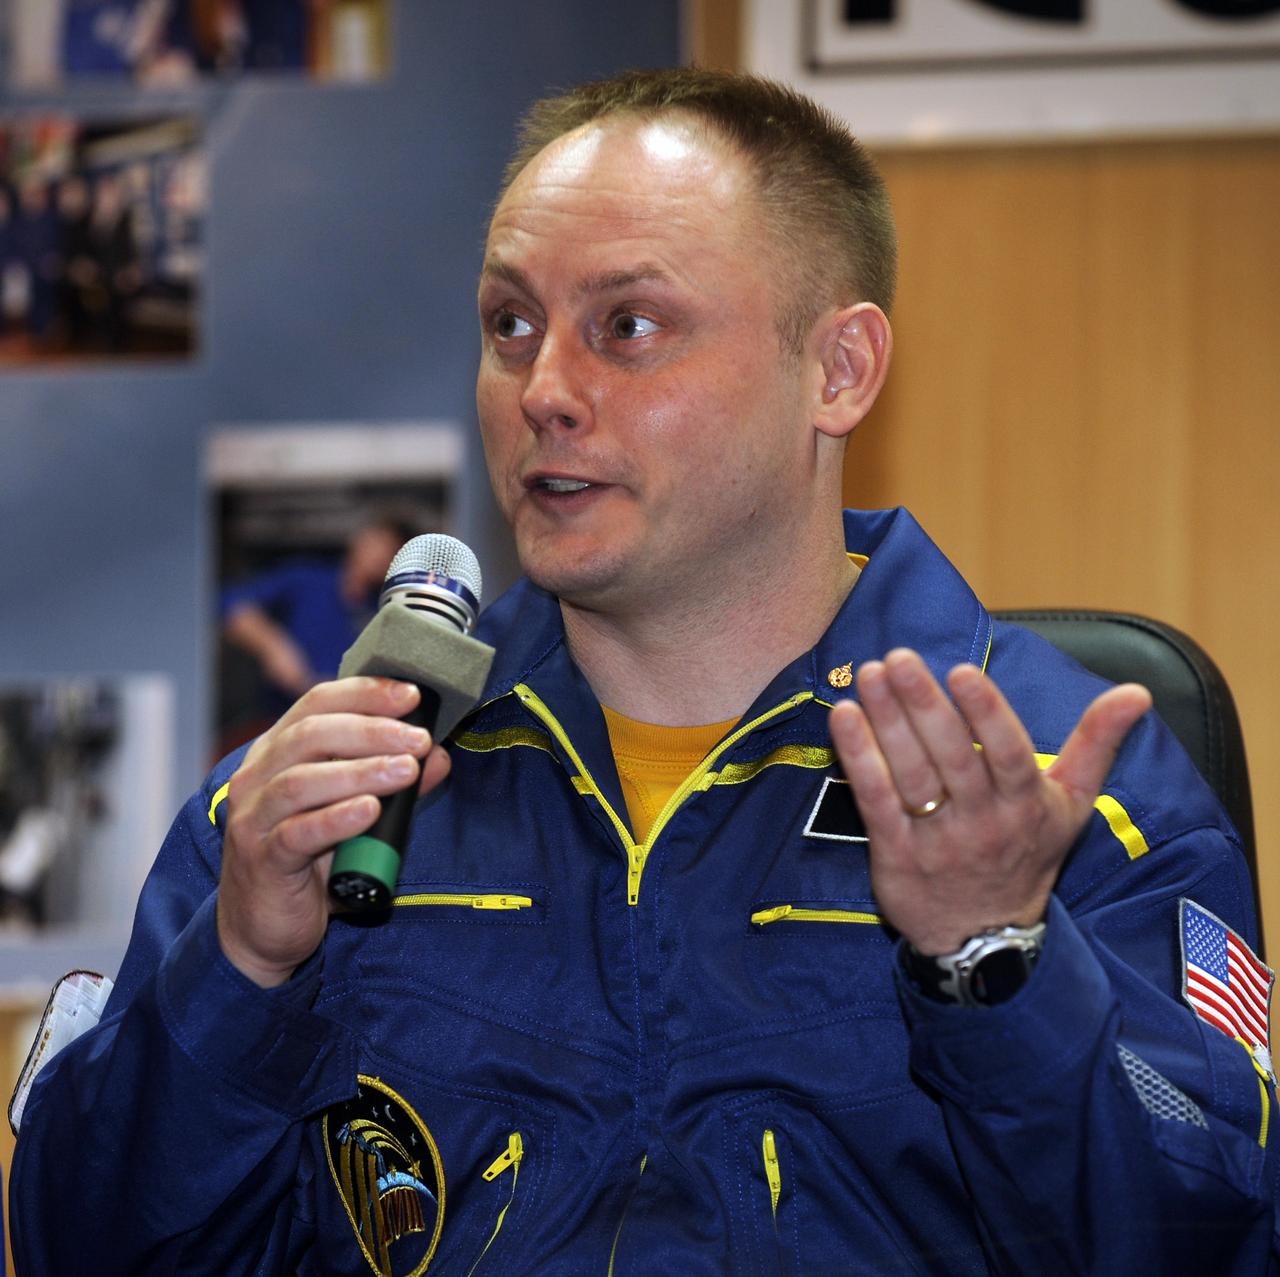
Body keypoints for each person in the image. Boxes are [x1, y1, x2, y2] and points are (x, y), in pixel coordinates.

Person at [10, 68, 1276, 1274]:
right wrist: (239, 968)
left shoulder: (1058, 784)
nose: (543, 390)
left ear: (835, 371)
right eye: (510, 323)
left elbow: (1218, 1242)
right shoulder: (339, 796)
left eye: (628, 326)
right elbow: (84, 1250)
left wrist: (994, 965)